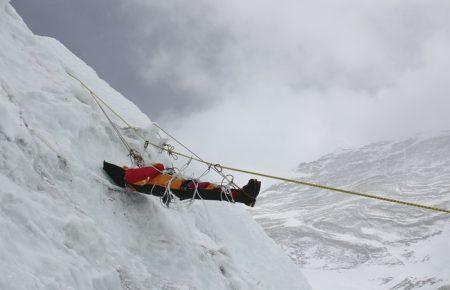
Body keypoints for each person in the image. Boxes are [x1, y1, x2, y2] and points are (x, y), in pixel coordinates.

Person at [103, 161, 261, 207]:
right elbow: (156, 167)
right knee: (206, 190)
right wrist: (157, 168)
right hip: (173, 187)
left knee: (206, 189)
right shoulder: (129, 177)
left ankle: (242, 196)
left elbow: (151, 174)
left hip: (172, 186)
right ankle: (243, 196)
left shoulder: (131, 180)